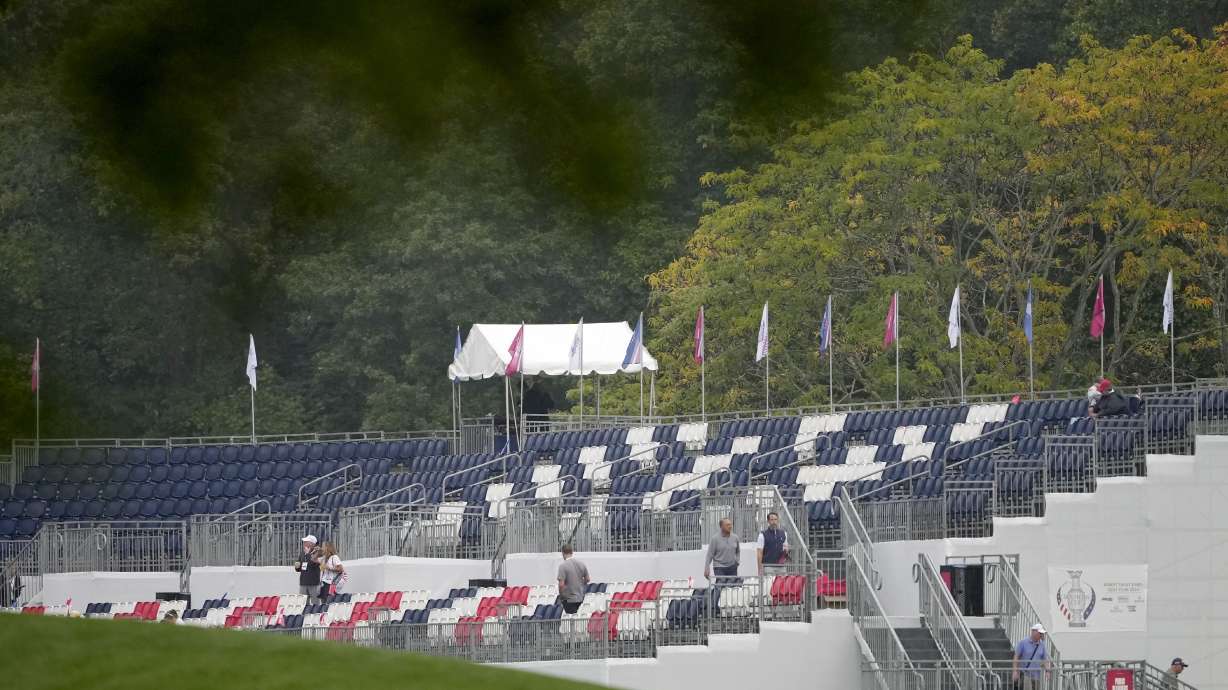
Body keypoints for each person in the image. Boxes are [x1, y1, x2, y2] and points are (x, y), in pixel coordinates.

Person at [1012, 623, 1050, 689]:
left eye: (1042, 634)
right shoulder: (1023, 642)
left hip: (1037, 675)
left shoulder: (1042, 645)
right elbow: (1016, 656)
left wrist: (1047, 671)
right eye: (1040, 633)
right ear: (1033, 632)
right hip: (1025, 674)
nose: (1041, 635)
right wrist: (1015, 671)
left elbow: (1045, 659)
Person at [556, 545, 590, 615]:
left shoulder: (563, 566)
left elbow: (561, 584)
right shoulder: (581, 564)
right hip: (580, 598)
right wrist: (580, 583)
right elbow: (587, 579)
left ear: (562, 553)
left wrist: (561, 596)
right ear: (572, 552)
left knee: (570, 620)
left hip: (569, 599)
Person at [294, 535, 322, 602]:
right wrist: (297, 567)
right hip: (303, 582)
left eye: (306, 541)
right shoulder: (302, 553)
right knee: (303, 603)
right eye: (304, 541)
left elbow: (315, 564)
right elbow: (300, 568)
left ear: (312, 543)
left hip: (314, 583)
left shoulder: (318, 552)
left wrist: (308, 554)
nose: (304, 543)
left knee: (315, 603)